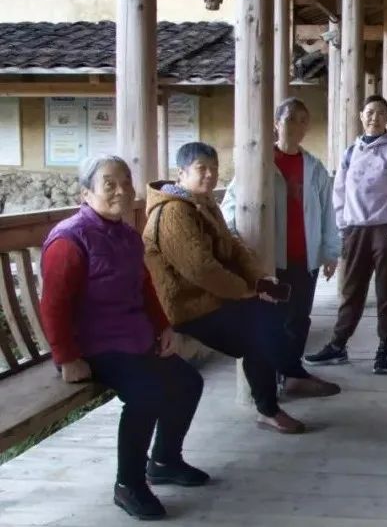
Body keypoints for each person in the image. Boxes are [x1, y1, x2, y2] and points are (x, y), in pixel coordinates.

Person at [40, 155, 206, 520]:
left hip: (133, 339)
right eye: (109, 184)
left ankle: (164, 462)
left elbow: (144, 288)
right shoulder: (69, 240)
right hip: (93, 346)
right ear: (86, 193)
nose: (121, 190)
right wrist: (67, 358)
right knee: (147, 394)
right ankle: (128, 484)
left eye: (126, 182)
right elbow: (53, 305)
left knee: (188, 382)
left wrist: (163, 327)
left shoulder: (127, 234)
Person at [144, 142, 340, 437]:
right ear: (181, 173)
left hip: (211, 298)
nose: (209, 175)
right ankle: (278, 393)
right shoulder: (173, 212)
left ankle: (284, 385)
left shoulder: (203, 203)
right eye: (201, 169)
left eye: (213, 168)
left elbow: (233, 246)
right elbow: (201, 269)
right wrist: (245, 291)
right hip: (187, 307)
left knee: (273, 314)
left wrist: (259, 279)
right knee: (260, 333)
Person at [221, 97, 341, 391]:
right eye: (290, 119)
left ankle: (292, 373)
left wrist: (330, 251)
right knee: (272, 318)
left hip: (305, 257)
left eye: (303, 120)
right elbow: (232, 204)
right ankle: (272, 374)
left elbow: (328, 211)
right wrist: (238, 242)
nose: (297, 126)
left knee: (299, 318)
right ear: (276, 124)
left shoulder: (314, 167)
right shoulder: (261, 163)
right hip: (271, 259)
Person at [304, 95, 387, 374]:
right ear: (361, 116)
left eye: (380, 113)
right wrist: (341, 229)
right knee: (351, 290)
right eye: (369, 112)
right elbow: (339, 194)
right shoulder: (350, 153)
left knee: (386, 292)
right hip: (355, 231)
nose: (374, 118)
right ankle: (338, 345)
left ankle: (384, 348)